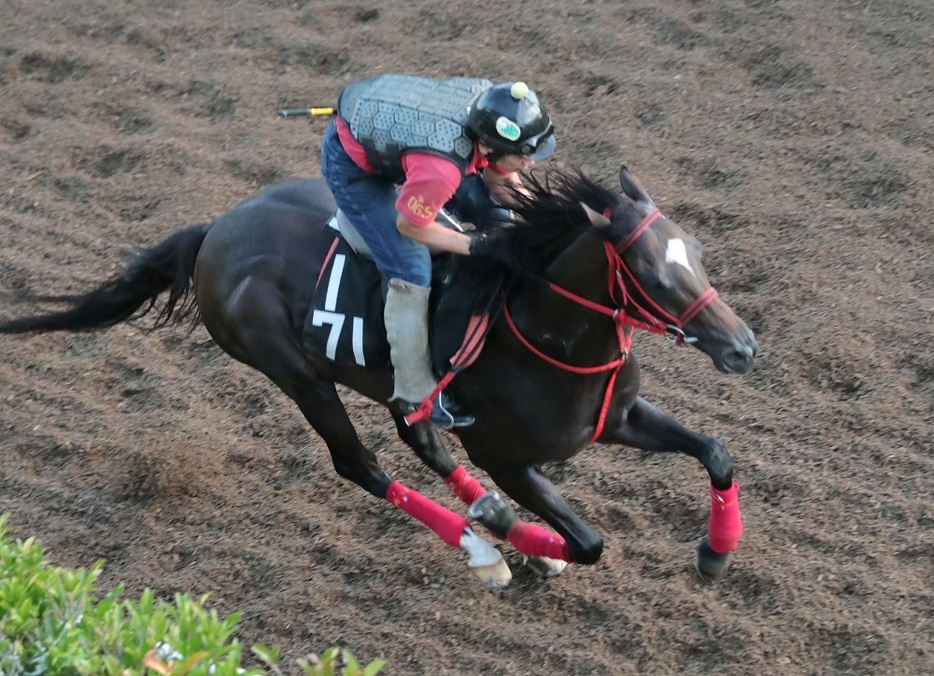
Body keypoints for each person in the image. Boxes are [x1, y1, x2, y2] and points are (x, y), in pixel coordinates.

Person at [320, 74, 557, 429]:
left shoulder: (487, 108)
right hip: (353, 167)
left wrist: (546, 223)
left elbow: (500, 178)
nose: (531, 164)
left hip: (412, 143)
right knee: (412, 264)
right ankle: (416, 392)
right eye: (523, 156)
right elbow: (409, 225)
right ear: (490, 147)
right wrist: (475, 245)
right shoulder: (442, 169)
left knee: (491, 209)